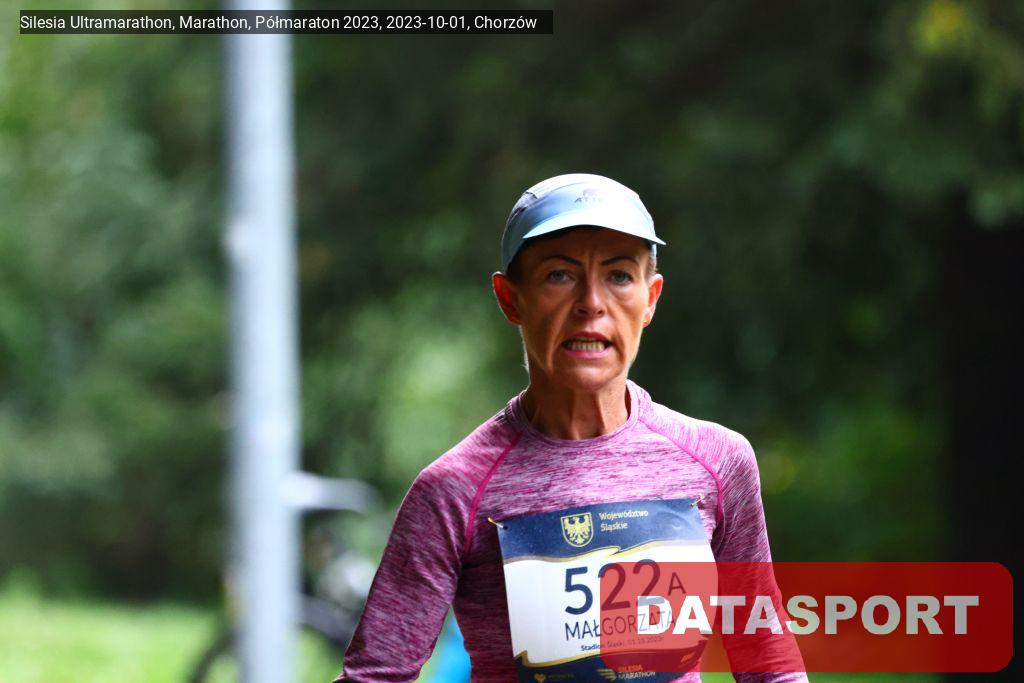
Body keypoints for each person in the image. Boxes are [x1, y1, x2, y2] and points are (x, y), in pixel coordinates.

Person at [335, 174, 805, 682]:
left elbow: (767, 659)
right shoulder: (454, 491)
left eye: (619, 276)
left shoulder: (717, 462)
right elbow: (375, 676)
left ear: (650, 298)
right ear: (510, 298)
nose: (591, 303)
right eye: (559, 275)